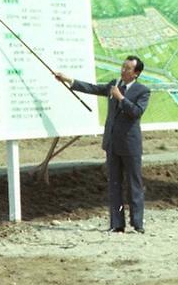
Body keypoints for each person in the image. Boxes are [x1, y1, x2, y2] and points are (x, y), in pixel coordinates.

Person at [55, 56, 151, 233]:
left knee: (133, 184)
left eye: (128, 68)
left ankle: (137, 223)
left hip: (130, 145)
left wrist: (121, 98)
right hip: (112, 143)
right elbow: (94, 88)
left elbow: (136, 112)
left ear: (136, 73)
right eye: (123, 67)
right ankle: (116, 224)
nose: (123, 70)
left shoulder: (142, 91)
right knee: (114, 184)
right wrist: (69, 80)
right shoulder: (114, 84)